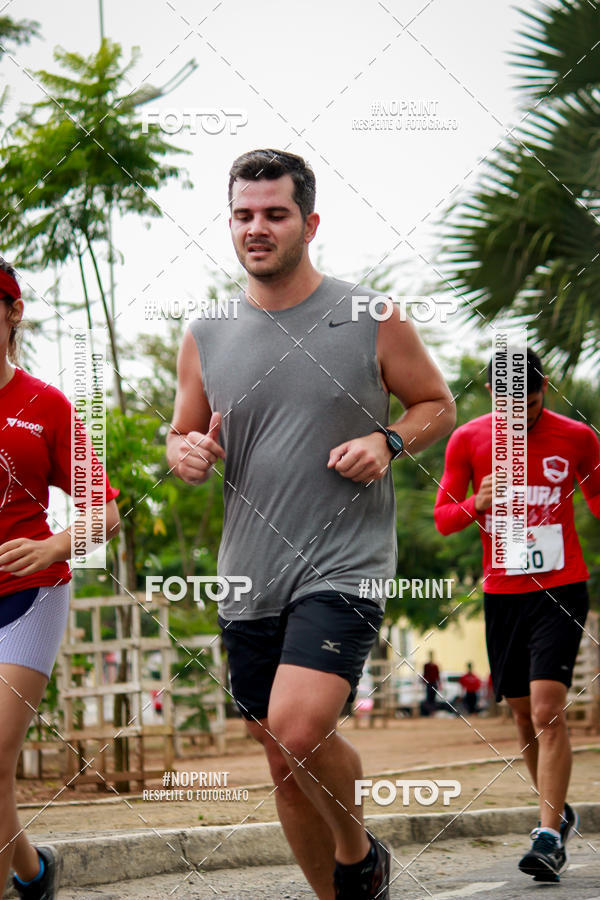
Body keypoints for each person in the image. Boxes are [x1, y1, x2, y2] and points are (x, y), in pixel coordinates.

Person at [167, 149, 456, 899]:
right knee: (281, 759)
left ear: (310, 222)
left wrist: (388, 441)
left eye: (275, 213)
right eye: (243, 215)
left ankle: (360, 855)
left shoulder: (371, 316)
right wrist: (185, 452)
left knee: (299, 730)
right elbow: (183, 431)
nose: (256, 228)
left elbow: (436, 405)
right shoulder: (206, 332)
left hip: (344, 562)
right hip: (248, 573)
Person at [434, 348, 600, 883]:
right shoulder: (469, 439)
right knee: (524, 716)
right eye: (508, 404)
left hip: (562, 586)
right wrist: (476, 504)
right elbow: (443, 519)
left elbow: (597, 498)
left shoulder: (578, 437)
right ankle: (557, 812)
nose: (519, 413)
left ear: (543, 386)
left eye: (528, 401)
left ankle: (547, 836)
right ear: (490, 394)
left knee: (549, 710)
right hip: (503, 593)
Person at [0, 258, 121, 900]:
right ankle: (33, 873)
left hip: (28, 597)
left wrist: (52, 544)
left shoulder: (44, 404)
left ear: (13, 313)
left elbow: (106, 512)